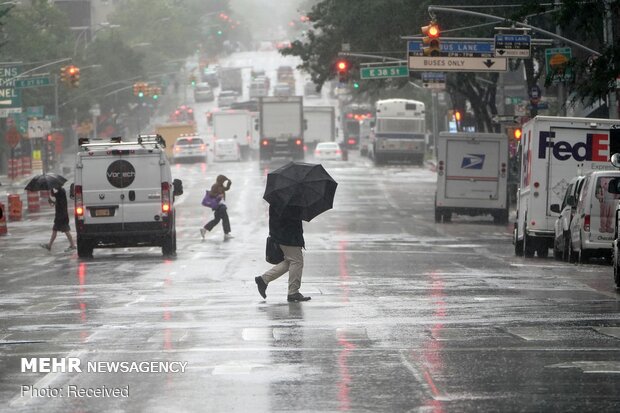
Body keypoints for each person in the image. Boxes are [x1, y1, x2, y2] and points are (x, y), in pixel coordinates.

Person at [255, 206, 310, 302]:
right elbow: (290, 219)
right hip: (289, 236)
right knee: (297, 262)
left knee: (291, 261)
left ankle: (263, 279)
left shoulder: (281, 199)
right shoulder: (289, 201)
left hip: (283, 235)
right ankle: (293, 292)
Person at [40, 186, 76, 252]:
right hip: (61, 215)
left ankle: (72, 245)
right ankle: (49, 245)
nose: (54, 187)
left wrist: (52, 200)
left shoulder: (61, 192)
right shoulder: (61, 191)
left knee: (65, 230)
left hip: (61, 215)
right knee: (56, 230)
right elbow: (54, 199)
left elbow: (56, 201)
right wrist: (51, 192)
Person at [200, 175, 233, 240]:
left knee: (216, 220)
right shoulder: (215, 186)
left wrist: (229, 184)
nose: (224, 182)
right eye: (223, 180)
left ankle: (204, 229)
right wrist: (218, 195)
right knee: (225, 218)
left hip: (220, 205)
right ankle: (226, 233)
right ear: (220, 180)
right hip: (219, 205)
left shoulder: (221, 186)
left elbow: (226, 189)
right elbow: (211, 194)